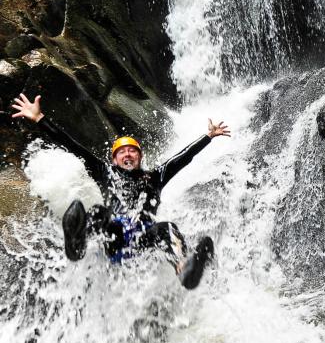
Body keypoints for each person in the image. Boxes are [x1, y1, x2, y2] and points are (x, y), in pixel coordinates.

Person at [11, 93, 230, 289]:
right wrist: (40, 119)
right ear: (114, 159)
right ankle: (77, 246)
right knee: (97, 212)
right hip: (113, 238)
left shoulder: (156, 177)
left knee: (166, 228)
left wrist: (208, 137)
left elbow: (183, 158)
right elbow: (71, 145)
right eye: (122, 152)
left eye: (132, 151)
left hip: (143, 240)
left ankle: (184, 269)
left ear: (139, 157)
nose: (127, 155)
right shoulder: (104, 172)